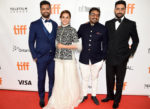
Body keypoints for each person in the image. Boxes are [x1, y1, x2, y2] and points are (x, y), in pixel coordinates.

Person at [101, 0, 139, 109]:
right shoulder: (108, 23)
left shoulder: (131, 24)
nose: (119, 11)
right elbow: (105, 39)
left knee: (119, 81)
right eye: (117, 8)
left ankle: (117, 100)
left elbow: (136, 40)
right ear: (114, 9)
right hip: (109, 56)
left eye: (122, 9)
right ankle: (110, 96)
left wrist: (130, 53)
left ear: (125, 10)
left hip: (122, 58)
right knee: (109, 78)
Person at [43, 10, 82, 109]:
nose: (64, 19)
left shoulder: (72, 30)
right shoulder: (58, 29)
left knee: (69, 80)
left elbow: (78, 46)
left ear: (70, 18)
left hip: (69, 59)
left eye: (67, 17)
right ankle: (58, 97)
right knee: (59, 80)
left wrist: (64, 46)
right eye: (63, 17)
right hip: (58, 59)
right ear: (60, 18)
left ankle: (70, 98)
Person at [28, 1, 58, 107]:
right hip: (40, 58)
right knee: (41, 78)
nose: (45, 10)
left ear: (50, 9)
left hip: (52, 58)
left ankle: (50, 97)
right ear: (41, 10)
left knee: (52, 78)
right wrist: (35, 56)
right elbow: (31, 42)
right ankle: (41, 97)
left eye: (47, 8)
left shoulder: (55, 24)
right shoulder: (34, 24)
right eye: (43, 8)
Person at [78, 7, 108, 105]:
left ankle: (94, 95)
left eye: (97, 15)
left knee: (94, 78)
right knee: (85, 78)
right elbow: (75, 37)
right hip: (84, 58)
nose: (95, 16)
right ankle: (84, 95)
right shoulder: (83, 27)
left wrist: (103, 58)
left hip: (97, 59)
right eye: (93, 14)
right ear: (89, 15)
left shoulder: (103, 28)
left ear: (99, 17)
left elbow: (105, 44)